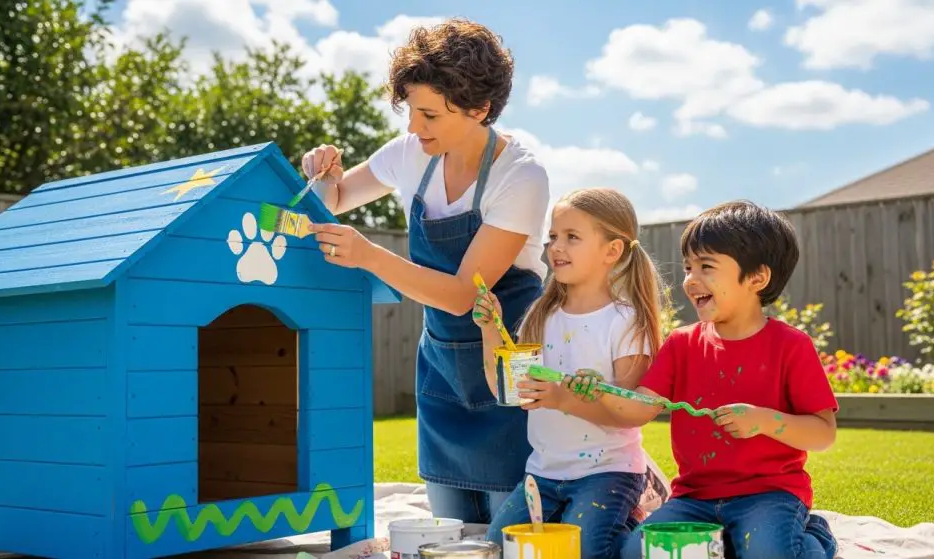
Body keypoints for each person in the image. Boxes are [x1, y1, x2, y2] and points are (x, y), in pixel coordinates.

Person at [299, 18, 550, 523]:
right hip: (440, 366)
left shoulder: (520, 176)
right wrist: (320, 174)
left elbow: (462, 295)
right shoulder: (410, 155)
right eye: (412, 110)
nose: (414, 127)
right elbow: (336, 200)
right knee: (448, 533)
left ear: (480, 109)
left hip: (506, 364)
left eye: (430, 114)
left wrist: (370, 255)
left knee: (511, 531)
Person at [567, 200, 839, 559]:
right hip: (694, 498)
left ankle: (814, 536)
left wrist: (763, 421)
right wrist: (599, 391)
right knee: (637, 553)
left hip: (770, 494)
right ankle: (728, 541)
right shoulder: (682, 344)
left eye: (706, 267)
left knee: (767, 552)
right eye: (687, 267)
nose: (690, 280)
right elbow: (641, 408)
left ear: (757, 278)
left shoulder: (792, 346)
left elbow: (823, 433)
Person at [473, 188, 665, 559]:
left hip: (610, 473)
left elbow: (629, 412)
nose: (555, 247)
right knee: (497, 550)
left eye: (571, 237)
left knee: (588, 550)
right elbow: (506, 388)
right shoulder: (541, 316)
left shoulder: (626, 322)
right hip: (543, 474)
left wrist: (565, 399)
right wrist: (489, 330)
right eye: (553, 238)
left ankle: (634, 520)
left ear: (612, 251)